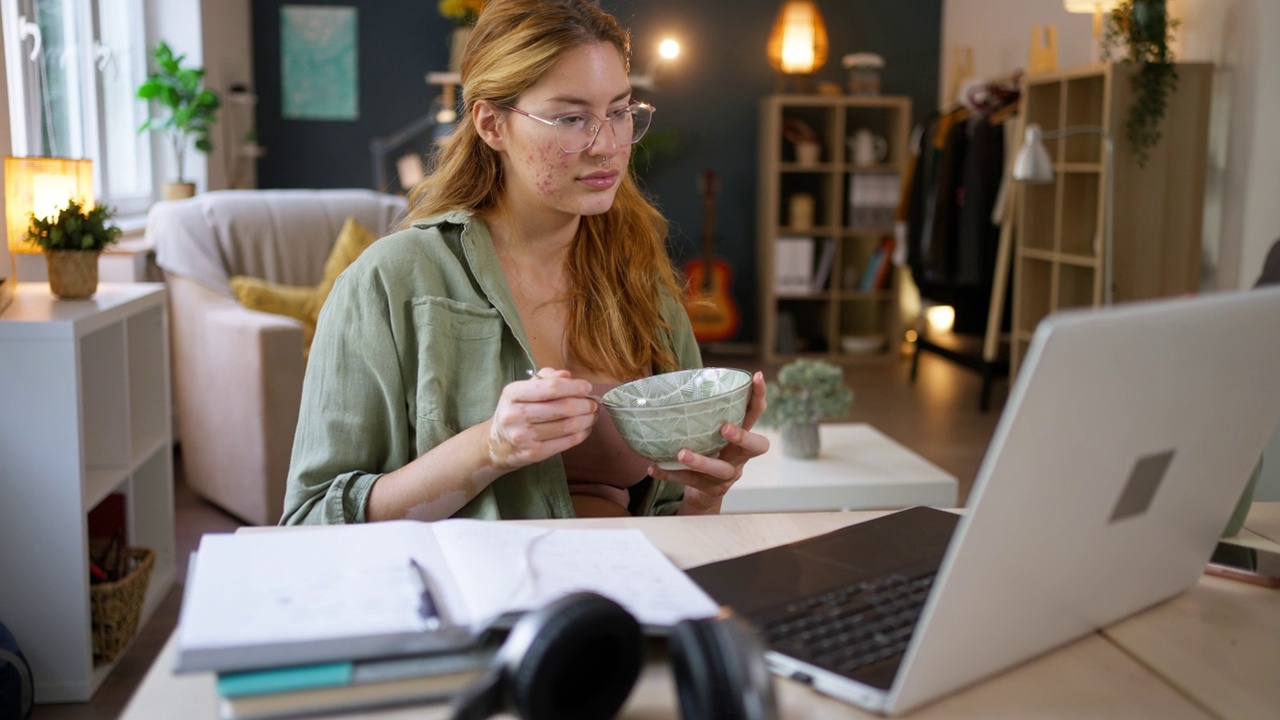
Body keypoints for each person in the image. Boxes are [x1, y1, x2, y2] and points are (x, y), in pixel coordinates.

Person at [280, 0, 769, 525]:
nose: (606, 145)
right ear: (491, 124)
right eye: (571, 117)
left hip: (625, 589)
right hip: (472, 598)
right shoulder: (390, 281)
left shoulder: (640, 284)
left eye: (620, 111)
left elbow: (673, 521)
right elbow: (310, 522)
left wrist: (703, 497)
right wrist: (488, 448)